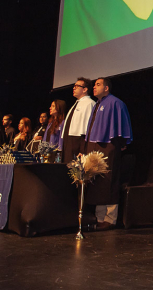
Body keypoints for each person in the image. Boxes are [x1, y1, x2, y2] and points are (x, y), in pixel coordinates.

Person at [84, 77, 133, 230]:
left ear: (106, 88)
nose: (94, 87)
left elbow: (121, 125)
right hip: (95, 147)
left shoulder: (115, 103)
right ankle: (99, 218)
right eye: (94, 85)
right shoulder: (97, 105)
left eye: (98, 85)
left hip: (109, 148)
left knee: (109, 181)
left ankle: (110, 219)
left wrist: (121, 143)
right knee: (98, 182)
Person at [60, 77, 95, 162]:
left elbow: (87, 128)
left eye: (77, 86)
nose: (73, 88)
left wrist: (83, 149)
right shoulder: (77, 103)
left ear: (85, 89)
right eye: (74, 86)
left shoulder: (89, 103)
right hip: (68, 140)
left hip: (77, 142)